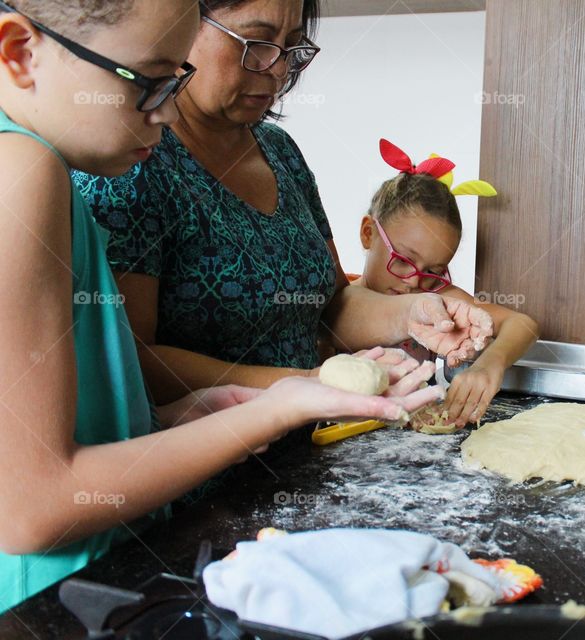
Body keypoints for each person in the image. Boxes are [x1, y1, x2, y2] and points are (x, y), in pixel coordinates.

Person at [0, 0, 443, 612]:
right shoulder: (22, 174)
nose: (164, 112)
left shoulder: (34, 165)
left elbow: (59, 427)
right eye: (150, 82)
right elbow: (32, 509)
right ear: (20, 52)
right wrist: (272, 411)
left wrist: (174, 418)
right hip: (52, 598)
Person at [76, 0, 493, 405]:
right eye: (255, 42)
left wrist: (411, 313)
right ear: (185, 24)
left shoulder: (280, 151)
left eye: (291, 47)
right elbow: (129, 360)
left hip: (309, 434)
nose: (277, 69)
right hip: (208, 447)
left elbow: (333, 303)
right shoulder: (132, 161)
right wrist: (305, 385)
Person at [350, 139, 539, 427]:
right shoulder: (338, 303)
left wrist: (489, 365)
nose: (414, 281)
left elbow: (523, 324)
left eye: (433, 271)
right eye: (402, 260)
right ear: (368, 233)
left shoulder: (437, 299)